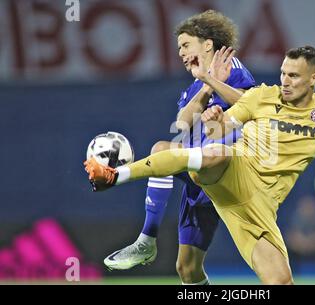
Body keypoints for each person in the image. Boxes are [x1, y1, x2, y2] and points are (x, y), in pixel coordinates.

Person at [84, 45, 315, 284]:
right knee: (212, 153)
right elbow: (219, 132)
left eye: (293, 76)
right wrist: (214, 119)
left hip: (259, 208)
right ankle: (115, 175)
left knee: (280, 281)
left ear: (313, 79)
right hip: (235, 172)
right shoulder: (262, 96)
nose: (285, 81)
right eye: (283, 73)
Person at [102, 10, 255, 286]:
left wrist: (214, 82)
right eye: (179, 48)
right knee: (187, 269)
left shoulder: (232, 69)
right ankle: (147, 243)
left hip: (227, 173)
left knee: (162, 149)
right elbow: (183, 123)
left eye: (186, 45)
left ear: (207, 44)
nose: (182, 53)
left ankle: (146, 240)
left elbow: (253, 103)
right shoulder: (198, 84)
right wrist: (206, 86)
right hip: (199, 179)